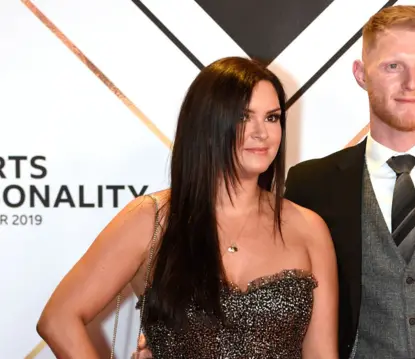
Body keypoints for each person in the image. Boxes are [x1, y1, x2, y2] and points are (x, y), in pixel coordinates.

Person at [137, 5, 415, 359]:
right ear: (360, 74)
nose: (411, 82)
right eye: (393, 66)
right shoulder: (312, 185)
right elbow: (264, 303)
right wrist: (172, 333)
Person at [36, 56, 339, 359]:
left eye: (272, 117)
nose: (262, 132)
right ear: (206, 125)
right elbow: (59, 319)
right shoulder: (152, 218)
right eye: (244, 117)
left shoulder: (308, 229)